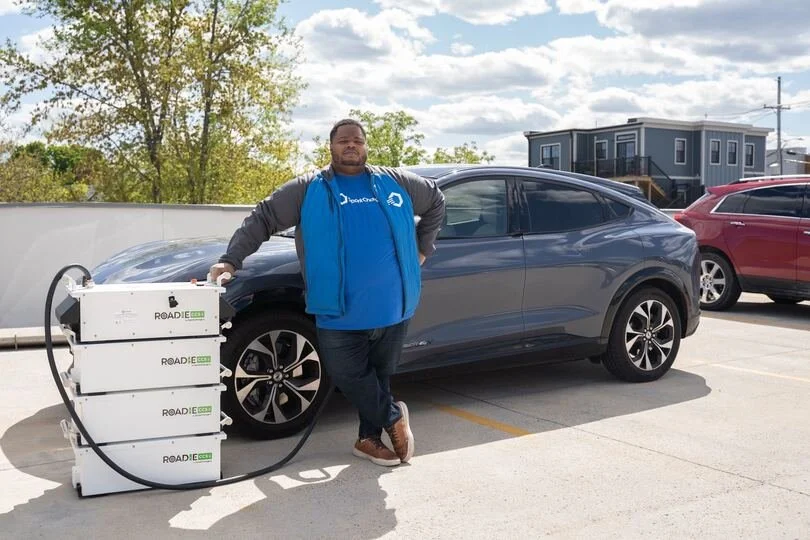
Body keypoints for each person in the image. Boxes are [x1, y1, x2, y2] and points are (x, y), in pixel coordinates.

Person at [209, 119, 446, 467]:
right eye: (343, 140)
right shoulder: (309, 188)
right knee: (347, 374)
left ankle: (368, 439)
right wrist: (231, 260)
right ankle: (392, 415)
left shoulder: (395, 181)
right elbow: (263, 217)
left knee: (378, 377)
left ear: (366, 146)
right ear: (331, 146)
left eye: (357, 140)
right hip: (337, 310)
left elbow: (436, 199)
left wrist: (423, 247)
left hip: (394, 305)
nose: (351, 145)